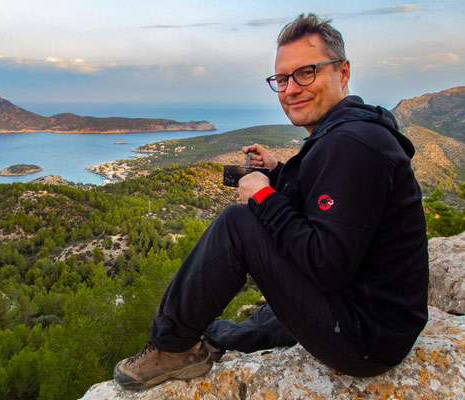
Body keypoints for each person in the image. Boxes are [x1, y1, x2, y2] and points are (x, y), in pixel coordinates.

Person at [114, 13, 428, 390]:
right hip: (373, 317)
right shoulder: (349, 131)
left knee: (236, 224)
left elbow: (328, 265)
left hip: (364, 338)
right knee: (228, 329)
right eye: (282, 78)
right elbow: (331, 209)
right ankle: (221, 338)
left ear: (342, 73)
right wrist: (278, 172)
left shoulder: (353, 145)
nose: (291, 88)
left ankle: (170, 348)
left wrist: (263, 196)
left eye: (307, 72)